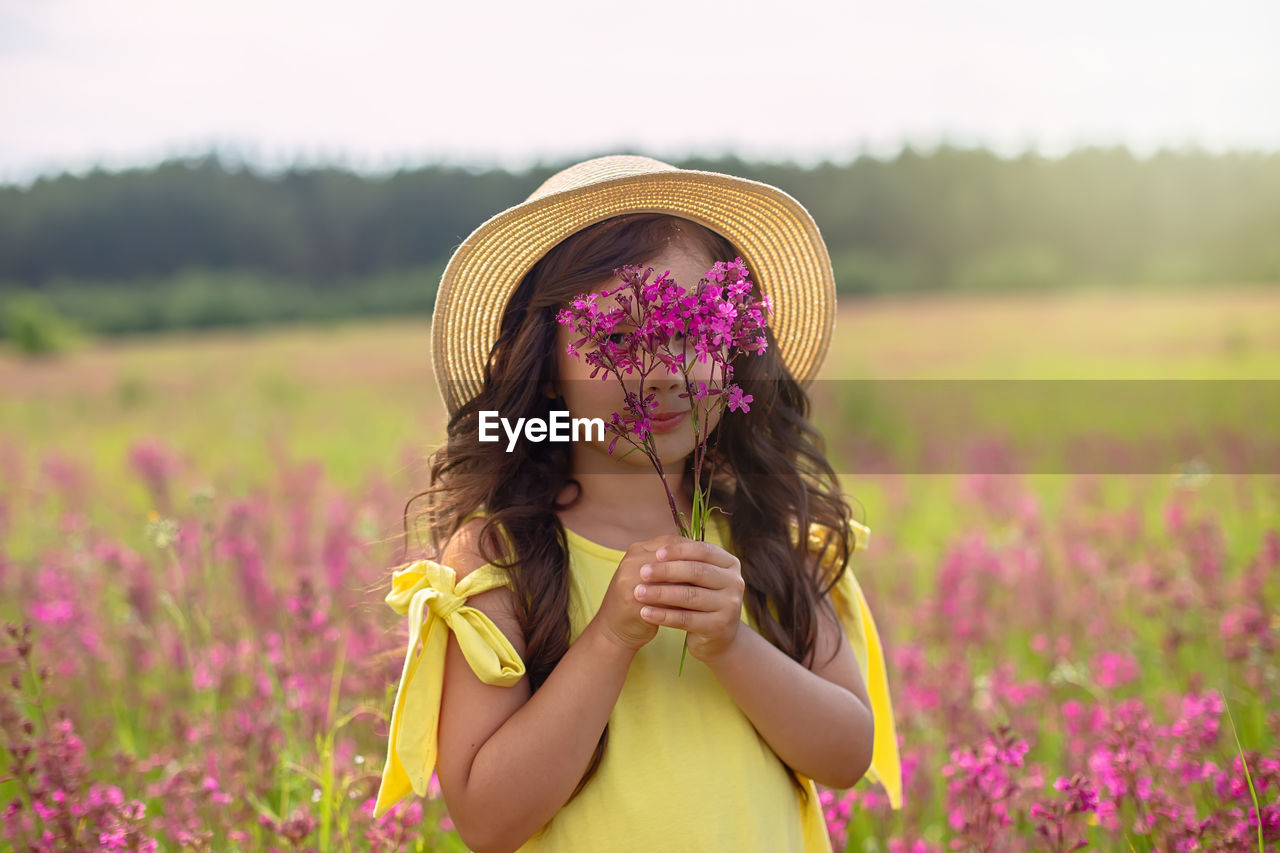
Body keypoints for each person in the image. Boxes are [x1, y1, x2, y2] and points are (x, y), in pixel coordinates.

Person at [372, 155, 902, 851]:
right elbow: (487, 819)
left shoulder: (771, 536)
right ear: (547, 365)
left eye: (694, 332)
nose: (662, 370)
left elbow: (843, 754)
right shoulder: (504, 553)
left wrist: (732, 642)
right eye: (619, 339)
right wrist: (612, 635)